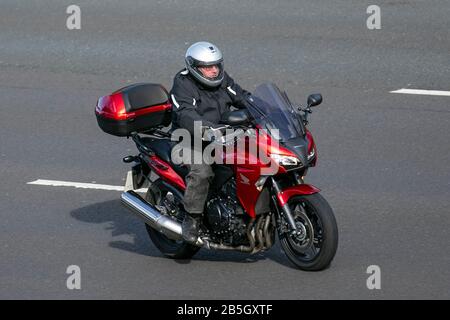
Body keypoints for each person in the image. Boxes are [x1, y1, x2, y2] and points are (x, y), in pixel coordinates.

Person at [169, 41, 249, 244]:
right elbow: (185, 114)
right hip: (188, 140)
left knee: (252, 162)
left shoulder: (223, 80)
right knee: (202, 172)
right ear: (194, 67)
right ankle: (192, 218)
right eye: (208, 67)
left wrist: (269, 110)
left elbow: (244, 98)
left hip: (222, 137)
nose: (214, 71)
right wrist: (206, 130)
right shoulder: (183, 84)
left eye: (216, 65)